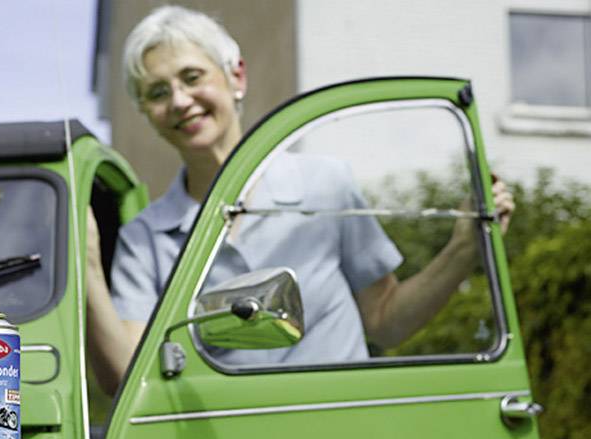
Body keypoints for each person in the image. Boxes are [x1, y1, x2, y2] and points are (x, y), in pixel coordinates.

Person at [86, 5, 514, 395]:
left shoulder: (325, 184)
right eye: (157, 93)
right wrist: (86, 263)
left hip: (340, 429)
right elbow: (128, 379)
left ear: (236, 77)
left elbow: (385, 320)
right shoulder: (145, 237)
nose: (180, 100)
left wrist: (463, 249)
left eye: (192, 77)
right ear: (146, 113)